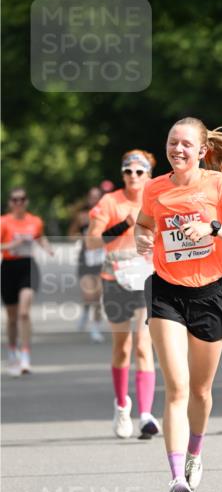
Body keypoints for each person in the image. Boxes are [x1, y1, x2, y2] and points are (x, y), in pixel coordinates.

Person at [134, 117, 222, 492]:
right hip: (166, 292)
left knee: (201, 392)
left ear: (202, 150)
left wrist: (213, 228)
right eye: (173, 142)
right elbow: (143, 224)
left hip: (210, 295)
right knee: (176, 387)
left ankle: (194, 453)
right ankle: (175, 480)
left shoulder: (219, 185)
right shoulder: (155, 188)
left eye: (187, 144)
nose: (178, 150)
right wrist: (142, 238)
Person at [86, 152, 158, 440]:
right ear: (122, 174)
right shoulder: (110, 202)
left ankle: (146, 414)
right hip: (114, 279)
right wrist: (124, 224)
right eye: (128, 171)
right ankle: (121, 405)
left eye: (140, 172)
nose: (133, 176)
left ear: (149, 174)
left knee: (143, 344)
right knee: (122, 347)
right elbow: (92, 240)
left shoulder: (157, 199)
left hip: (146, 279)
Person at [1, 188, 54, 375]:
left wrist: (47, 248)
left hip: (28, 267)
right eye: (15, 200)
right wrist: (11, 245)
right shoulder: (4, 222)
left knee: (24, 313)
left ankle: (25, 355)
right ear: (10, 202)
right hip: (8, 268)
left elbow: (40, 238)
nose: (18, 203)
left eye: (22, 199)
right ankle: (12, 349)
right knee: (12, 317)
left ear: (26, 201)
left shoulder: (35, 221)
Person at [68, 186, 104, 342]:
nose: (94, 199)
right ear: (88, 198)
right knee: (89, 295)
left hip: (102, 259)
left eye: (97, 196)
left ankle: (95, 327)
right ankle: (85, 310)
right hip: (85, 259)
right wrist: (81, 238)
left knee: (99, 295)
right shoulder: (82, 216)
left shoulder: (107, 215)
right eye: (92, 196)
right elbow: (71, 235)